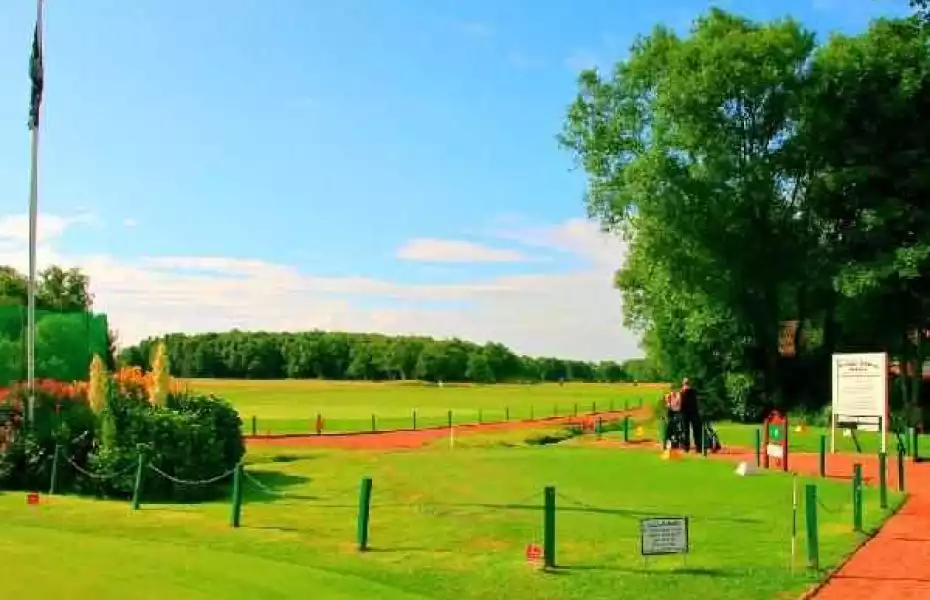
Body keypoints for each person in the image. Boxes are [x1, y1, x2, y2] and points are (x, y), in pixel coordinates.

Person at [679, 377, 702, 453]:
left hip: (686, 413)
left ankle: (687, 448)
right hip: (693, 412)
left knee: (686, 430)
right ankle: (698, 448)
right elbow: (697, 401)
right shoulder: (693, 391)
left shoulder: (682, 391)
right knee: (696, 430)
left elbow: (680, 403)